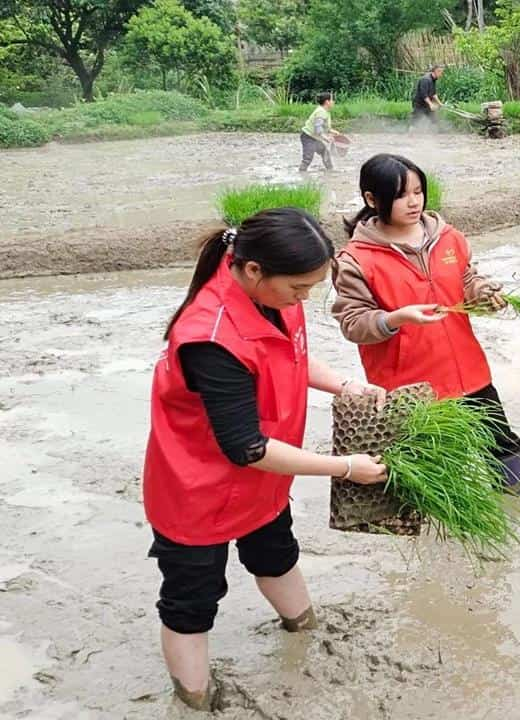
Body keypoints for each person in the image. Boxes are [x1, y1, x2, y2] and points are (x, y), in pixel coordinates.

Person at [142, 208, 388, 711]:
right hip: (199, 489)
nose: (305, 298)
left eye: (312, 287)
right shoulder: (209, 338)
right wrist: (345, 467)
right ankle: (194, 698)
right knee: (192, 599)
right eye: (300, 288)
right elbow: (246, 447)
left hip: (265, 478)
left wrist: (346, 383)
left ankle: (304, 629)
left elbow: (293, 352)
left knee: (276, 552)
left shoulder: (275, 294)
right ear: (253, 271)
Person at [331, 153, 520, 497]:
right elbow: (352, 322)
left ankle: (515, 505)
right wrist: (396, 318)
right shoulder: (356, 260)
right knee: (433, 465)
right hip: (411, 387)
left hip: (468, 372)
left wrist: (482, 292)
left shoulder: (447, 237)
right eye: (402, 195)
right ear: (372, 200)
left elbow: (466, 277)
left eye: (418, 192)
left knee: (501, 444)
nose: (414, 202)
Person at [299, 91, 341, 172]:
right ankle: (301, 173)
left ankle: (330, 170)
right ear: (327, 102)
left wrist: (332, 131)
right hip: (308, 137)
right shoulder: (321, 112)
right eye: (332, 100)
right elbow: (318, 128)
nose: (333, 102)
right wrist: (326, 138)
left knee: (325, 151)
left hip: (315, 137)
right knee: (308, 158)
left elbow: (324, 126)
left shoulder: (325, 111)